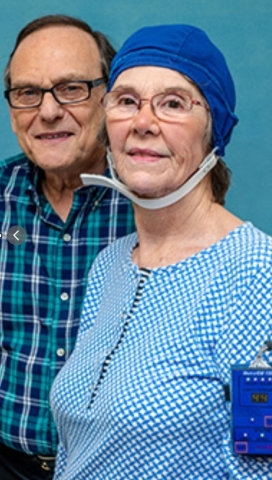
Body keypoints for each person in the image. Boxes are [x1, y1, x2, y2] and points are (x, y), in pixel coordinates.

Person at [51, 24, 272, 479]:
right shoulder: (110, 265)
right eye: (126, 100)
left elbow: (262, 464)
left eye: (173, 103)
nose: (143, 122)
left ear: (214, 130)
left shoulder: (254, 273)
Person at [0, 14, 135, 480]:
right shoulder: (4, 210)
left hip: (121, 467)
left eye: (71, 87)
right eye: (27, 93)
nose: (49, 111)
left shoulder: (152, 203)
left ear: (109, 95)